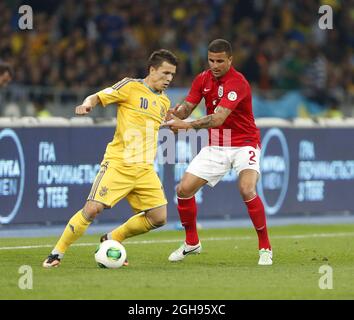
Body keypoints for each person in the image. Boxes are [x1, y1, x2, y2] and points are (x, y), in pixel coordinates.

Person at [43, 49, 178, 268]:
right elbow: (97, 96)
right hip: (119, 164)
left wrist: (172, 128)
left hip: (145, 169)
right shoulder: (130, 86)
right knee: (92, 209)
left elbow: (152, 126)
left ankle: (112, 238)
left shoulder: (164, 102)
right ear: (152, 70)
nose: (169, 79)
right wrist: (88, 104)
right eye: (165, 73)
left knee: (159, 217)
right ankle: (56, 253)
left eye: (172, 75)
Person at [164, 39, 272, 265]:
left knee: (246, 188)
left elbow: (219, 117)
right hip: (217, 145)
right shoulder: (202, 79)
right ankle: (192, 242)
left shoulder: (238, 82)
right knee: (183, 189)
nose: (215, 65)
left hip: (244, 143)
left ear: (230, 60)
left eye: (220, 61)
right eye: (211, 60)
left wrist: (186, 126)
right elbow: (187, 106)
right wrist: (176, 114)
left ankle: (265, 247)